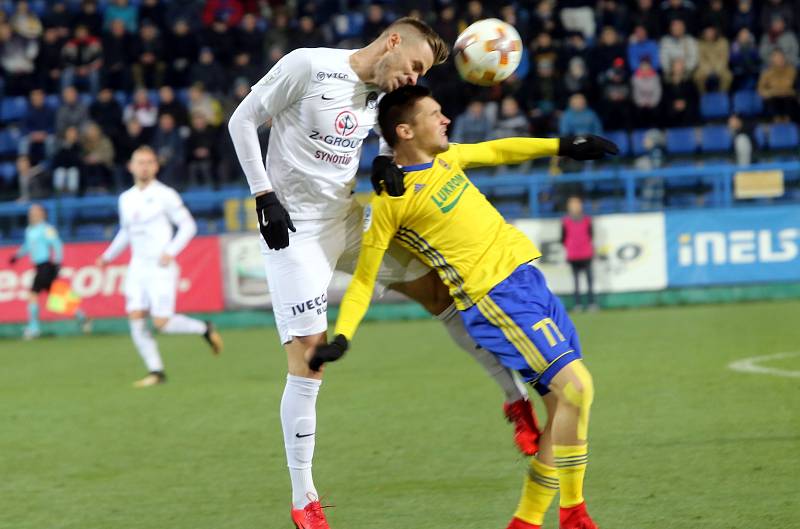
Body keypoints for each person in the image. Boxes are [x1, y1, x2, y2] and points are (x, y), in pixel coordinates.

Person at [227, 18, 537, 528]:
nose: (414, 78)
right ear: (393, 42)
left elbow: (383, 142)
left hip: (345, 220)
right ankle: (304, 499)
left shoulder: (380, 96)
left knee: (440, 293)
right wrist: (264, 194)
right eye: (414, 65)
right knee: (309, 361)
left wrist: (383, 161)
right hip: (294, 232)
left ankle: (515, 402)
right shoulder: (308, 65)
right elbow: (242, 121)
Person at [309, 85, 615, 529]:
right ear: (405, 130)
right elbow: (364, 278)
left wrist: (563, 145)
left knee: (565, 403)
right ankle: (551, 517)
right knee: (577, 388)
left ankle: (553, 515)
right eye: (435, 114)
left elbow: (499, 151)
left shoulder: (447, 158)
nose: (446, 119)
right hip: (494, 298)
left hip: (526, 278)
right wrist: (342, 337)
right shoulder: (392, 201)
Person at [96, 146, 223, 388]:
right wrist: (107, 256)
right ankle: (156, 371)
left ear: (156, 166)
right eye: (139, 162)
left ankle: (203, 328)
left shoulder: (166, 195)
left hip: (160, 266)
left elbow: (188, 226)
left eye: (149, 162)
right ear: (130, 166)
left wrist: (170, 251)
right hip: (137, 268)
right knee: (135, 316)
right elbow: (126, 231)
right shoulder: (126, 198)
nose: (144, 166)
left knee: (161, 323)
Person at [8, 204, 88, 339]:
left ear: (42, 214)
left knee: (33, 295)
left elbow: (57, 245)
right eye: (31, 212)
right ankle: (82, 316)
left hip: (45, 266)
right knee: (57, 296)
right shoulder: (29, 230)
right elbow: (27, 246)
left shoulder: (46, 229)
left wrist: (57, 263)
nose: (32, 214)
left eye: (35, 211)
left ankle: (33, 328)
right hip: (39, 267)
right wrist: (17, 256)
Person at [561, 196, 596, 312]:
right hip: (573, 255)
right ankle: (577, 304)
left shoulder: (587, 220)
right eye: (572, 204)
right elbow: (563, 237)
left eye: (577, 204)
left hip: (586, 253)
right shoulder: (565, 221)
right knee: (576, 281)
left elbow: (591, 235)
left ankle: (591, 303)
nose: (575, 207)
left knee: (589, 280)